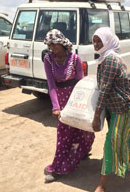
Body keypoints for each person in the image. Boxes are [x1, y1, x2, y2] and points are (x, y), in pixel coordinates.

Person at [91, 27, 130, 192]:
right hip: (114, 107)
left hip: (124, 109)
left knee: (110, 143)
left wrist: (96, 115)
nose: (96, 44)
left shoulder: (111, 59)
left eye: (100, 41)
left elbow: (104, 89)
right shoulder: (104, 58)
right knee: (120, 138)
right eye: (95, 41)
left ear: (108, 42)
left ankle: (101, 185)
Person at [43, 29, 95, 183]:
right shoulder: (48, 59)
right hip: (61, 101)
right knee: (64, 134)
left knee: (82, 129)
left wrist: (85, 105)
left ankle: (82, 151)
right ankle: (58, 167)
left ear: (62, 43)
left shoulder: (75, 59)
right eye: (50, 45)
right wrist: (55, 106)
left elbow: (82, 83)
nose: (53, 48)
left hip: (76, 99)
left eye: (55, 44)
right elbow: (51, 85)